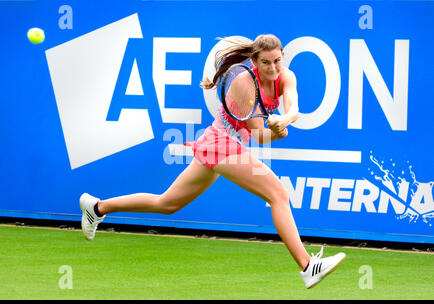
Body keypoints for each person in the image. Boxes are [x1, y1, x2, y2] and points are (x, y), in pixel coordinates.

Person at [79, 34, 345, 289]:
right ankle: (308, 266)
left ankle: (97, 208)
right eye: (265, 62)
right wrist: (276, 132)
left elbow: (294, 108)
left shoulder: (286, 76)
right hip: (222, 143)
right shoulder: (243, 82)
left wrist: (284, 122)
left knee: (167, 203)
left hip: (219, 144)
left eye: (277, 61)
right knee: (278, 194)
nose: (273, 67)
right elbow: (259, 136)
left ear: (283, 56)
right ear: (255, 62)